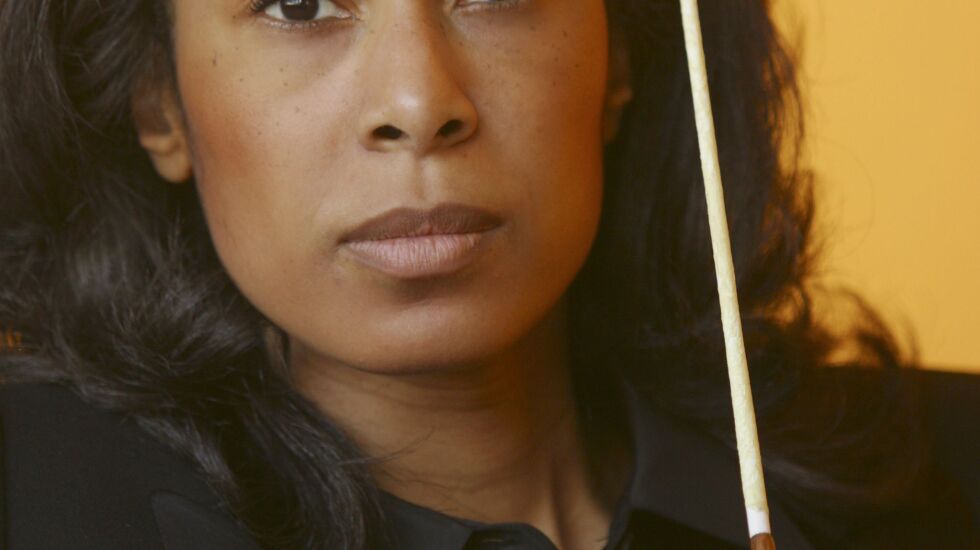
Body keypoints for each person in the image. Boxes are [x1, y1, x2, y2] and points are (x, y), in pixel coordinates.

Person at [0, 0, 977, 548]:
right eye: (300, 4)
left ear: (620, 57)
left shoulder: (948, 480)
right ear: (158, 102)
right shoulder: (30, 501)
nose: (417, 102)